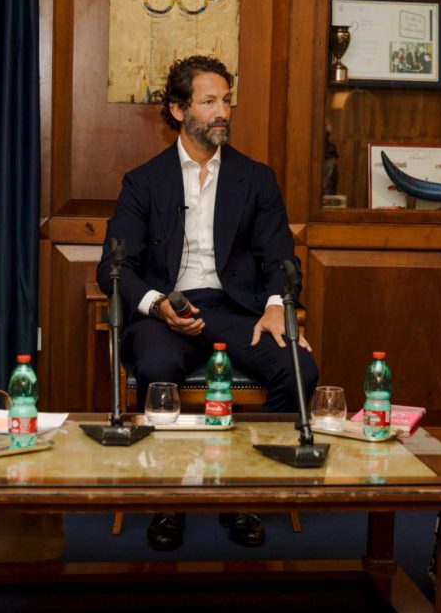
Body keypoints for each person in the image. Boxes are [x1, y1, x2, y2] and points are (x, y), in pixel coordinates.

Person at [97, 55, 319, 551]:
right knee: (156, 364)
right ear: (178, 109)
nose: (224, 112)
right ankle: (168, 497)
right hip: (167, 311)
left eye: (226, 100)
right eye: (209, 101)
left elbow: (283, 259)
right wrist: (157, 306)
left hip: (236, 310)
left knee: (298, 368)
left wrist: (276, 306)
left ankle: (245, 492)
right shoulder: (143, 181)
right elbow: (114, 270)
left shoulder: (255, 178)